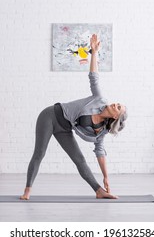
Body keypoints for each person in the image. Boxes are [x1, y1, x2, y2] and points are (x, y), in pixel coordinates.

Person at [20, 34, 127, 200]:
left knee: (80, 159)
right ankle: (27, 190)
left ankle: (99, 191)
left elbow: (100, 152)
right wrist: (94, 52)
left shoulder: (101, 131)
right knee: (39, 153)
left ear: (115, 118)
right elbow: (94, 77)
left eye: (118, 108)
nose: (115, 104)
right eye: (117, 103)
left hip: (65, 128)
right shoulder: (100, 99)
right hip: (50, 116)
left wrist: (106, 176)